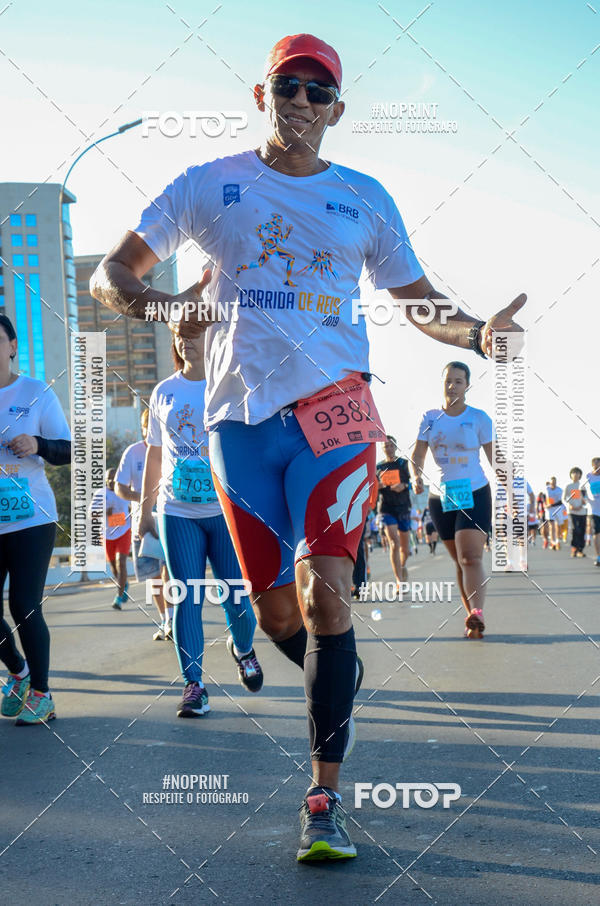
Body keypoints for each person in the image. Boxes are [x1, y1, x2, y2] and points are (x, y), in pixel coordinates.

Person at [90, 32, 525, 861]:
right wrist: (168, 309)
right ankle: (336, 674)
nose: (300, 102)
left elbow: (419, 301)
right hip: (239, 427)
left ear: (337, 110)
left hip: (338, 414)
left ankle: (322, 796)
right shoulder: (207, 184)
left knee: (327, 595)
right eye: (287, 86)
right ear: (262, 96)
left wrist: (477, 334)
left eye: (317, 92)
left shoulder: (364, 197)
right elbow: (111, 275)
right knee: (276, 613)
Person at [137, 326, 264, 718]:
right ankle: (194, 685)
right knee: (185, 596)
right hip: (177, 511)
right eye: (179, 334)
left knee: (236, 597)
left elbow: (252, 446)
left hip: (224, 511)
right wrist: (144, 510)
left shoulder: (231, 385)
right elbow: (154, 455)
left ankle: (243, 648)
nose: (185, 340)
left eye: (193, 332)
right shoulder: (164, 392)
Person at [0, 314, 71, 725]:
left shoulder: (36, 391)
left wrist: (37, 443)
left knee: (23, 604)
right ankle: (19, 671)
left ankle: (42, 694)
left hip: (31, 517)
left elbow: (68, 449)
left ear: (12, 346)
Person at [411, 362, 493, 640]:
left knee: (470, 557)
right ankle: (471, 616)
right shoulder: (430, 418)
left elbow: (494, 457)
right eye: (448, 380)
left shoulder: (479, 418)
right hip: (441, 495)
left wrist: (510, 486)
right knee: (460, 561)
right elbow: (418, 454)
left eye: (458, 381)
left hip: (475, 491)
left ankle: (478, 612)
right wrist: (416, 476)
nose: (452, 386)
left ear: (467, 385)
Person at [115, 408, 172, 638]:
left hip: (170, 515)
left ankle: (174, 618)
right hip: (143, 520)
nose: (150, 432)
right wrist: (142, 496)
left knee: (169, 569)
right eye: (146, 428)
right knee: (153, 574)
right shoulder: (132, 452)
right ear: (143, 429)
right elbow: (119, 487)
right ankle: (165, 620)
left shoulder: (171, 449)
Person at [90, 469, 131, 609]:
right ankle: (123, 584)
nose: (112, 481)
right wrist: (104, 512)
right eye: (109, 478)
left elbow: (134, 506)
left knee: (121, 562)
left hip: (124, 531)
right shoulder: (100, 493)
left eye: (114, 478)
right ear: (105, 479)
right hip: (107, 534)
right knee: (113, 566)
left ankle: (118, 598)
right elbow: (91, 514)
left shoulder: (125, 491)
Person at [377, 436, 412, 584]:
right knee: (394, 543)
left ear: (396, 447)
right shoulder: (378, 467)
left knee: (405, 549)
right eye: (386, 446)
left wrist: (404, 486)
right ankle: (399, 581)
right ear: (382, 449)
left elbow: (414, 482)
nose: (389, 448)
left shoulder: (404, 463)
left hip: (403, 507)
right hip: (386, 508)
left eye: (391, 445)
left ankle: (402, 565)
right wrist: (377, 486)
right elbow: (371, 486)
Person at [563, 467, 588, 557]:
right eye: (573, 473)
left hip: (582, 512)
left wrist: (584, 503)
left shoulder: (583, 486)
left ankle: (580, 550)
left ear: (580, 475)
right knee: (575, 530)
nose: (575, 474)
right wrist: (569, 505)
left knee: (582, 530)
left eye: (577, 473)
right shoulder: (568, 486)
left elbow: (586, 497)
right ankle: (574, 548)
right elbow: (564, 498)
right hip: (572, 512)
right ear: (571, 475)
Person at [586, 457, 600, 566]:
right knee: (596, 533)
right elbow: (581, 491)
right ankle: (598, 556)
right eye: (596, 464)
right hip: (594, 510)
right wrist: (584, 500)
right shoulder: (588, 477)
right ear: (592, 465)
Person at [545, 477, 563, 550]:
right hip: (550, 510)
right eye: (552, 483)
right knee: (551, 526)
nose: (553, 484)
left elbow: (560, 502)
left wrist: (551, 505)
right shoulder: (547, 489)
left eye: (554, 483)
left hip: (557, 509)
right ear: (550, 483)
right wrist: (545, 504)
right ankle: (553, 543)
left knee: (558, 526)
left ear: (556, 482)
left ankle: (558, 541)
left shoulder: (559, 490)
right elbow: (544, 497)